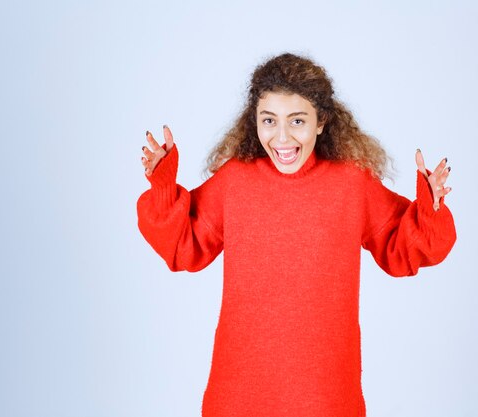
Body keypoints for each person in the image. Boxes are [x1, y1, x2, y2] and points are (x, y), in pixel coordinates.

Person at [137, 53, 456, 417]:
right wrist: (163, 187)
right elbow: (183, 247)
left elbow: (403, 249)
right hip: (240, 393)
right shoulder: (236, 181)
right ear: (254, 122)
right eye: (269, 120)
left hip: (326, 395)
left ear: (321, 122)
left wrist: (430, 209)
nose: (283, 137)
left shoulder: (351, 184)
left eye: (298, 120)